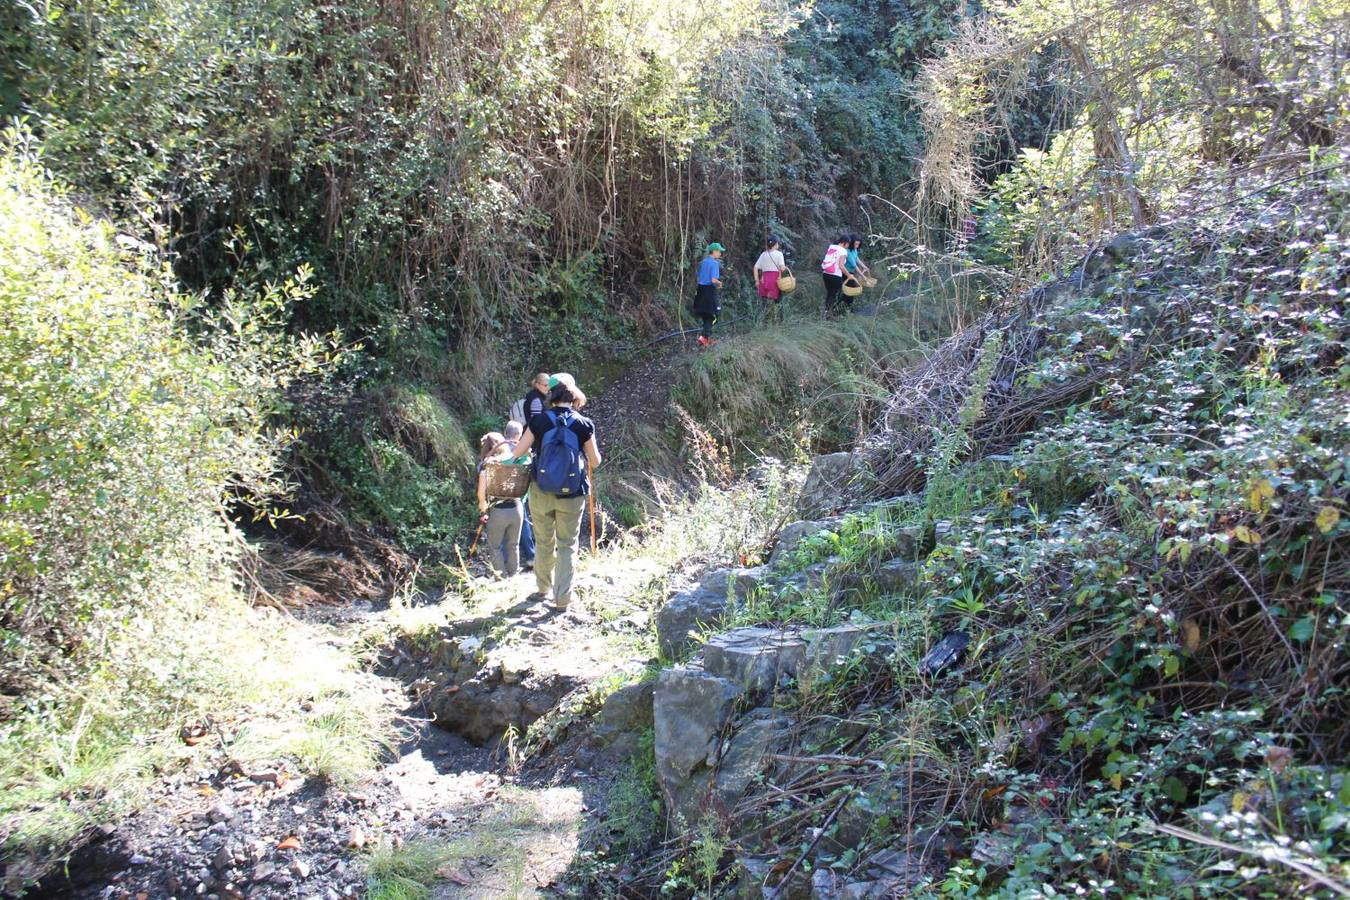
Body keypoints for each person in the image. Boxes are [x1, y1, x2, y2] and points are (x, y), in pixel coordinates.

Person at [510, 374, 601, 610]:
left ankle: (542, 589)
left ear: (551, 395)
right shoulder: (584, 423)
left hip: (541, 489)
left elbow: (519, 451)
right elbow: (595, 461)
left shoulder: (539, 421)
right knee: (567, 544)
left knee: (543, 541)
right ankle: (562, 599)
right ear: (573, 395)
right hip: (573, 492)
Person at [476, 432, 525, 578]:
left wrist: (482, 508)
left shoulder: (488, 466)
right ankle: (514, 576)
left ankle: (502, 578)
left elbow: (481, 493)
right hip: (517, 508)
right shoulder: (514, 460)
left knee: (495, 547)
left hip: (498, 511)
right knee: (513, 545)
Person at [503, 420, 535, 570]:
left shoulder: (499, 448)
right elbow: (528, 467)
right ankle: (530, 557)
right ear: (519, 435)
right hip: (518, 496)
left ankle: (503, 564)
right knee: (523, 525)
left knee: (502, 531)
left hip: (499, 496)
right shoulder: (521, 450)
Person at [693, 242, 724, 347]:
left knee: (706, 314)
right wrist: (719, 284)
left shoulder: (703, 262)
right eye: (719, 251)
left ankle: (705, 338)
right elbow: (713, 280)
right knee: (714, 314)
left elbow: (699, 276)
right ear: (714, 251)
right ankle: (704, 337)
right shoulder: (715, 263)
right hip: (709, 291)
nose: (720, 253)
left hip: (700, 290)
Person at [753, 236, 787, 323]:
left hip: (764, 281)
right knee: (778, 302)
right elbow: (782, 268)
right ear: (775, 244)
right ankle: (780, 323)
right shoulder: (779, 254)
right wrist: (783, 267)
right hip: (775, 280)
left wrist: (757, 280)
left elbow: (755, 267)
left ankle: (762, 323)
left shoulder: (763, 254)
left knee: (764, 304)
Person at [821, 235, 849, 316]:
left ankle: (826, 312)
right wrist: (849, 275)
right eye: (848, 244)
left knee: (829, 293)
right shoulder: (843, 251)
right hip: (835, 275)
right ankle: (829, 314)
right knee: (834, 295)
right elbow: (841, 266)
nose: (848, 246)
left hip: (826, 274)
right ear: (845, 243)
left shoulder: (831, 246)